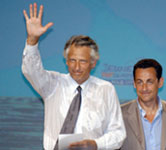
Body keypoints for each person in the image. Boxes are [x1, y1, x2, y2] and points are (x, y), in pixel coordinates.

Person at [22, 3, 126, 150]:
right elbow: (31, 70)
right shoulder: (52, 84)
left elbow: (118, 133)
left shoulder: (106, 89)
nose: (76, 67)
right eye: (72, 60)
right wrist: (32, 41)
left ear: (93, 63)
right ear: (66, 60)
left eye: (82, 61)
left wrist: (96, 144)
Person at [120, 58, 166, 150]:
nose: (144, 88)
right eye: (139, 82)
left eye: (149, 82)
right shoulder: (119, 116)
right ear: (134, 84)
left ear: (160, 82)